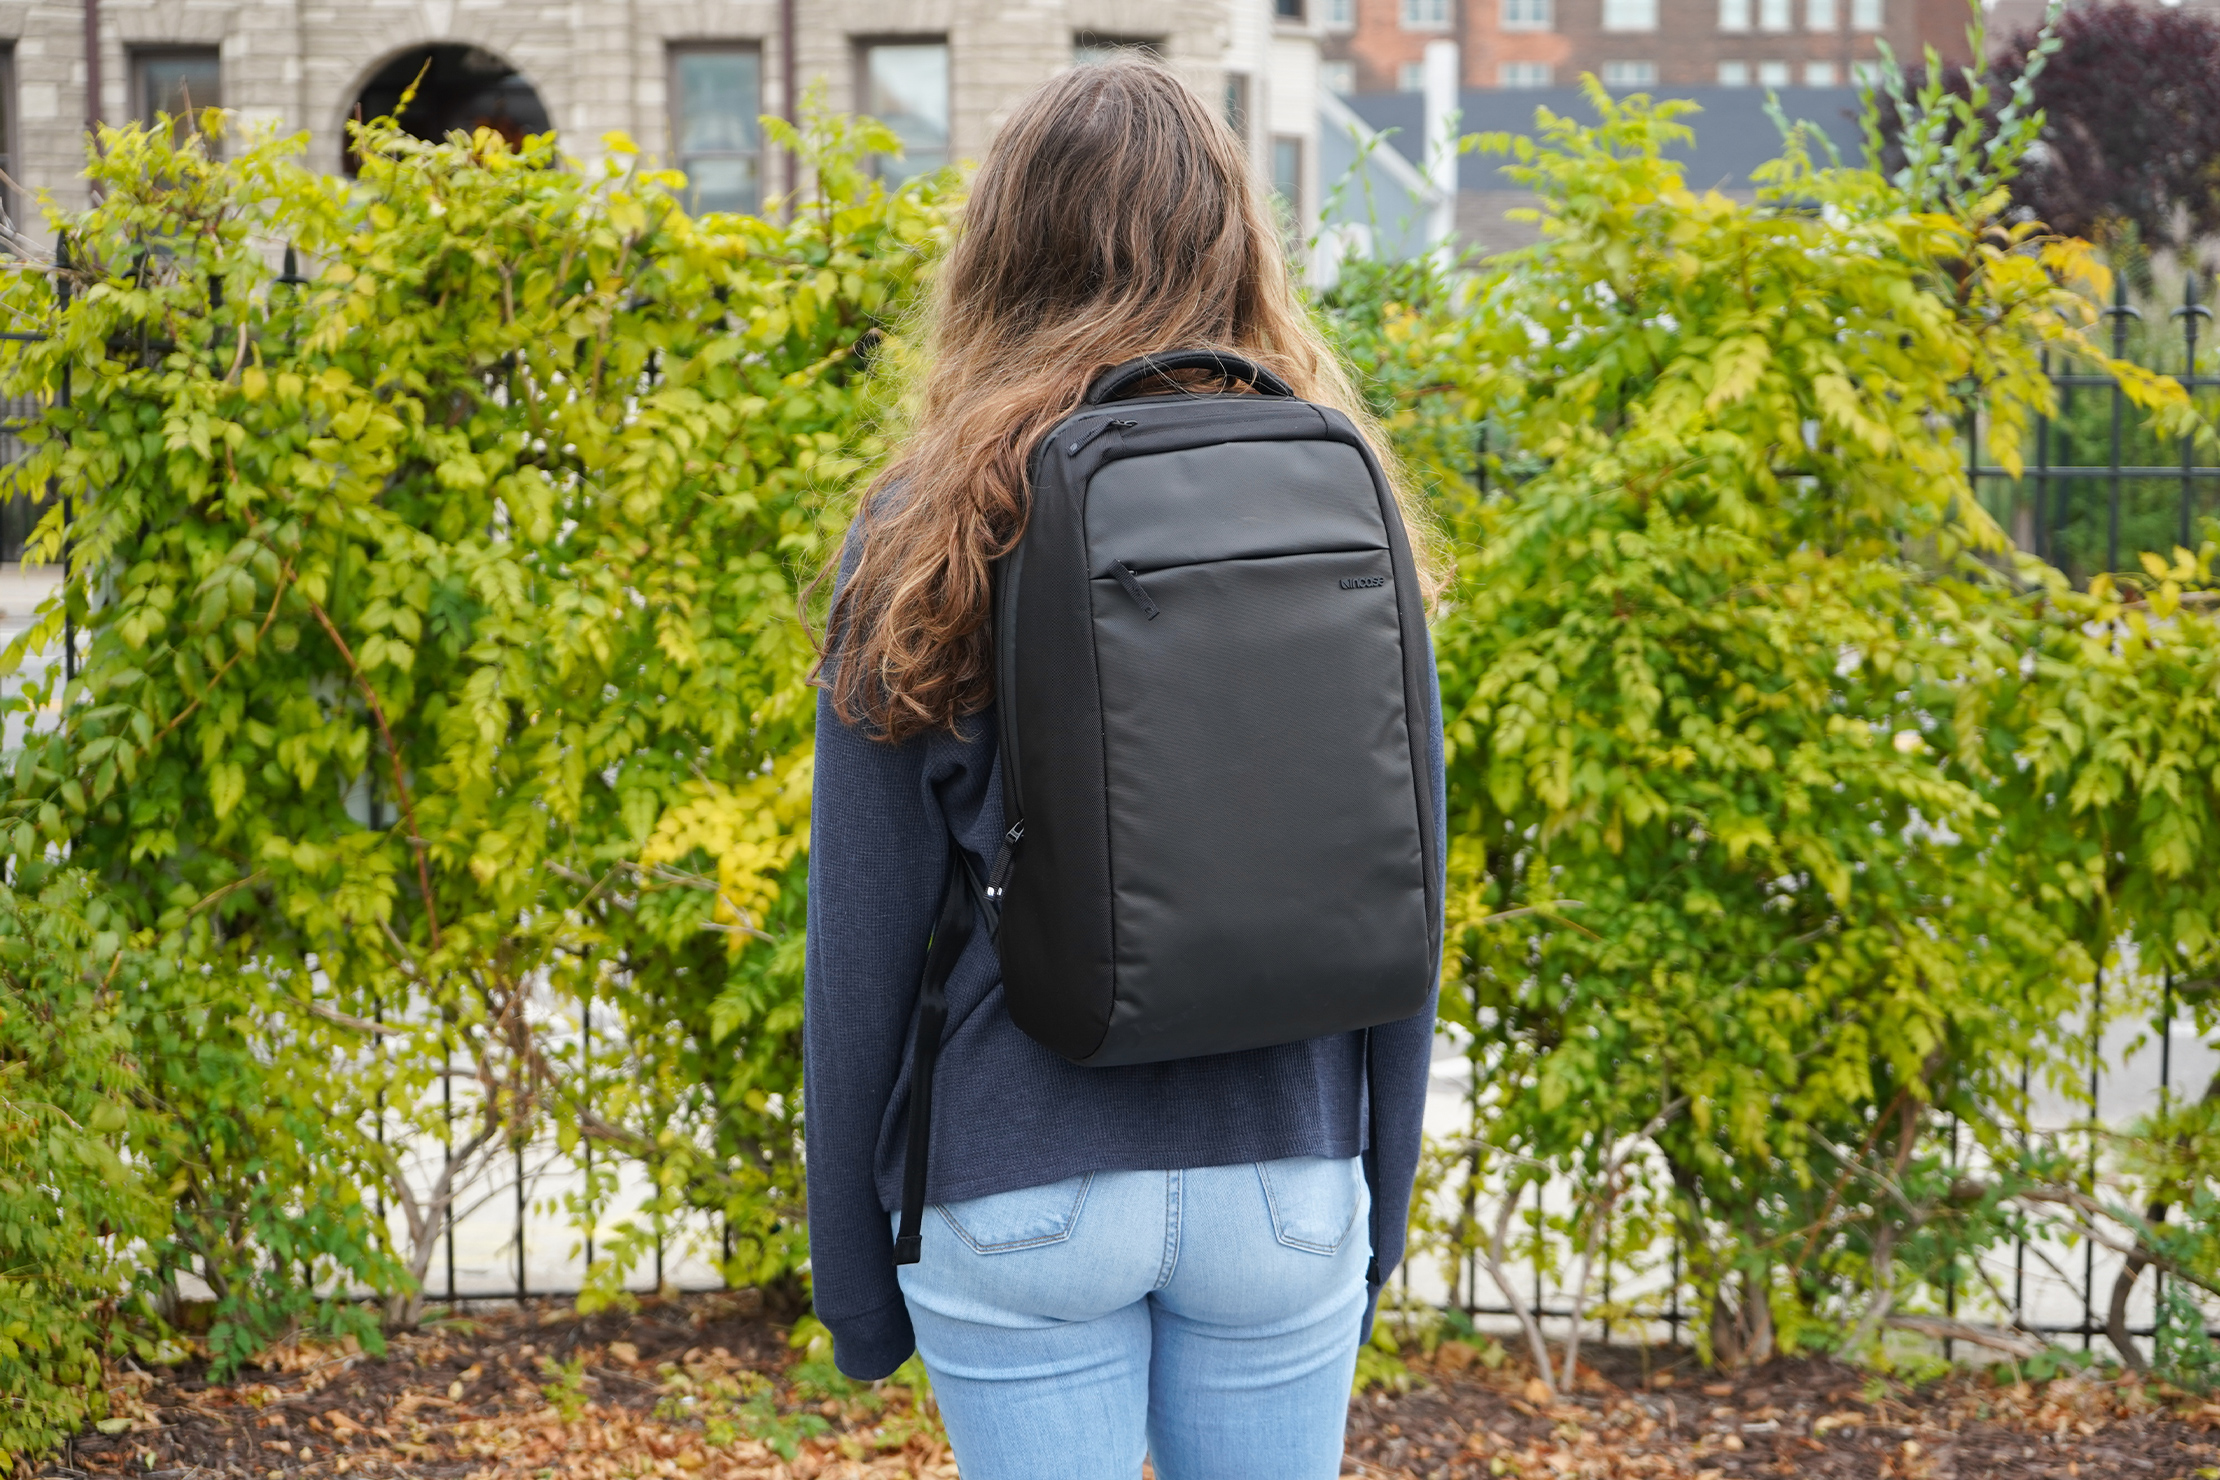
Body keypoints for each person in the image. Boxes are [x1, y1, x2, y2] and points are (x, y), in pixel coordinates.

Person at [802, 56, 1446, 1480]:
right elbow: (1406, 878)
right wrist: (1374, 1199)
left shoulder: (930, 520)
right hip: (1283, 1178)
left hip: (1018, 1178)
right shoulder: (1337, 488)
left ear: (1005, 254)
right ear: (1235, 243)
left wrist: (852, 1276)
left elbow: (861, 929)